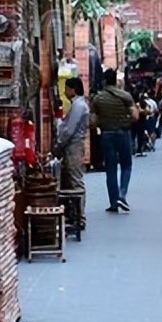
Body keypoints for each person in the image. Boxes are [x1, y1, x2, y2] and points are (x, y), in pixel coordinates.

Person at [91, 68, 137, 213]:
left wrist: (102, 123)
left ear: (104, 81)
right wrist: (125, 120)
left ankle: (113, 202)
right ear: (115, 80)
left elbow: (92, 121)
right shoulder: (125, 96)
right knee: (126, 165)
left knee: (110, 168)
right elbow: (135, 116)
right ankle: (122, 195)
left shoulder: (98, 98)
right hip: (123, 133)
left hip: (106, 134)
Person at [55, 77, 90, 227]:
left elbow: (69, 129)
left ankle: (80, 216)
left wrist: (59, 143)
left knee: (76, 180)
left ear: (73, 90)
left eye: (67, 89)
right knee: (72, 180)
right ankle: (75, 213)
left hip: (73, 146)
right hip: (73, 145)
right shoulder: (78, 104)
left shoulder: (78, 106)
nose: (65, 92)